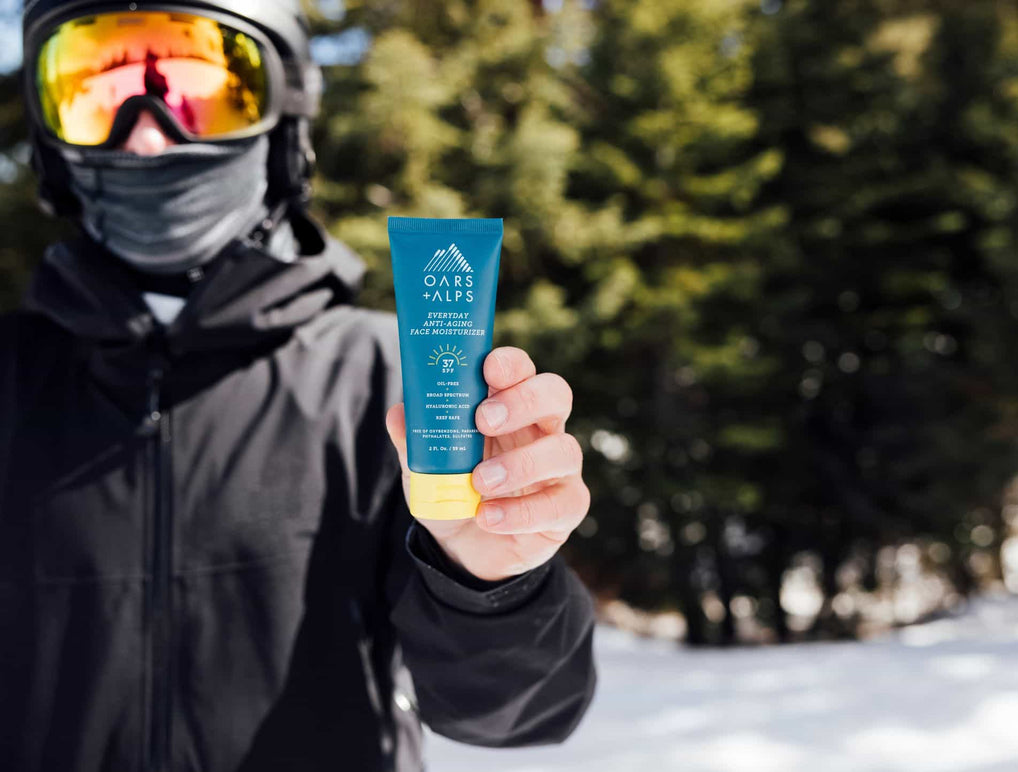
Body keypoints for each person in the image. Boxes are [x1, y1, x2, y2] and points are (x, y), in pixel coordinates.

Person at [0, 2, 597, 771]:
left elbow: (516, 713)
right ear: (52, 138)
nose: (147, 135)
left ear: (281, 115)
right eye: (99, 93)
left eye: (193, 91)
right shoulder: (11, 382)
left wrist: (490, 586)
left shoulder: (392, 384)